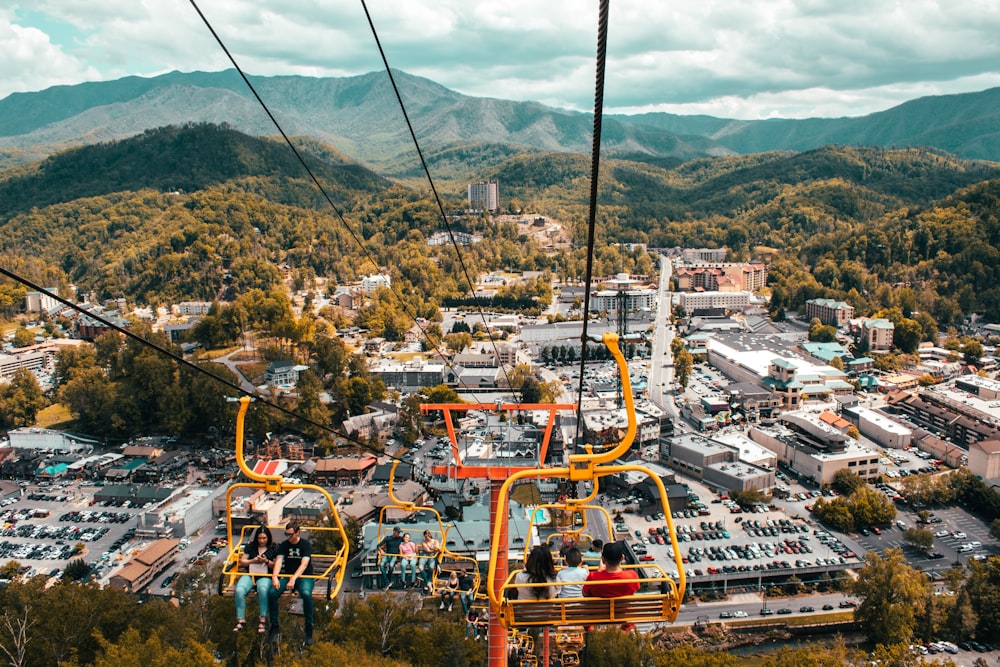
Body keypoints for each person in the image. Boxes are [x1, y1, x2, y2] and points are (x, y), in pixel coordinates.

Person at [269, 521, 315, 645]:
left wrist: (294, 578)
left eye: (290, 535)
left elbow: (304, 564)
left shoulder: (305, 545)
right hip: (288, 576)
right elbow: (279, 561)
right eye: (286, 535)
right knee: (272, 593)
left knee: (306, 594)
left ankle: (309, 626)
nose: (288, 537)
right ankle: (274, 625)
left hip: (304, 576)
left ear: (297, 533)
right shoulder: (284, 545)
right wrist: (275, 577)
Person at [233, 525, 277, 635]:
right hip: (251, 574)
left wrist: (266, 561)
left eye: (264, 538)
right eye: (259, 538)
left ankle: (262, 618)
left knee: (263, 590)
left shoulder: (273, 548)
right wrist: (253, 561)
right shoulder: (250, 547)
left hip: (265, 575)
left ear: (268, 538)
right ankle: (240, 619)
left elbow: (276, 565)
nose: (262, 541)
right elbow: (243, 561)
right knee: (239, 590)